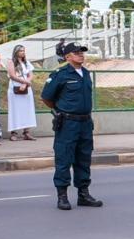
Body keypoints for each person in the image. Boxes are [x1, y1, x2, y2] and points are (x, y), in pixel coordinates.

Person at [41, 41, 103, 211]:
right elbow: (46, 97)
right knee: (64, 158)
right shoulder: (60, 74)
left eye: (82, 52)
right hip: (68, 123)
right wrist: (59, 111)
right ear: (67, 57)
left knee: (84, 158)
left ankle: (83, 194)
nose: (81, 54)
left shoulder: (86, 73)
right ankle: (62, 196)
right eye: (76, 52)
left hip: (85, 122)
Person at [5, 44, 37, 139]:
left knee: (27, 110)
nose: (23, 52)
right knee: (15, 110)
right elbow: (12, 75)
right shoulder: (11, 62)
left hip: (26, 88)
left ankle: (26, 132)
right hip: (15, 87)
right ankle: (13, 133)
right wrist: (24, 82)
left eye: (23, 51)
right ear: (16, 52)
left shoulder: (26, 62)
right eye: (20, 51)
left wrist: (25, 83)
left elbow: (30, 75)